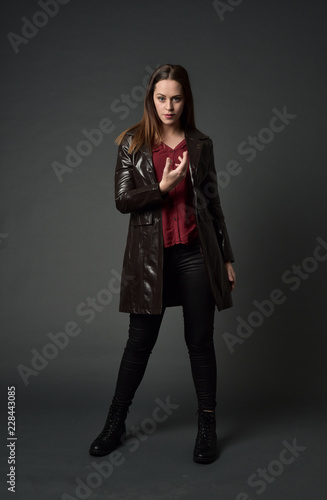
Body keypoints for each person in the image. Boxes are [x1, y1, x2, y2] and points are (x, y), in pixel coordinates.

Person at [89, 64, 236, 464]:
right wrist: (162, 187)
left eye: (176, 98)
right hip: (149, 258)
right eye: (161, 98)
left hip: (195, 254)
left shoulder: (201, 144)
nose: (168, 106)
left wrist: (225, 256)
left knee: (200, 343)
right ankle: (115, 423)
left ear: (186, 100)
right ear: (150, 99)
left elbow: (213, 203)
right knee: (139, 343)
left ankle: (207, 425)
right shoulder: (132, 143)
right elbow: (122, 200)